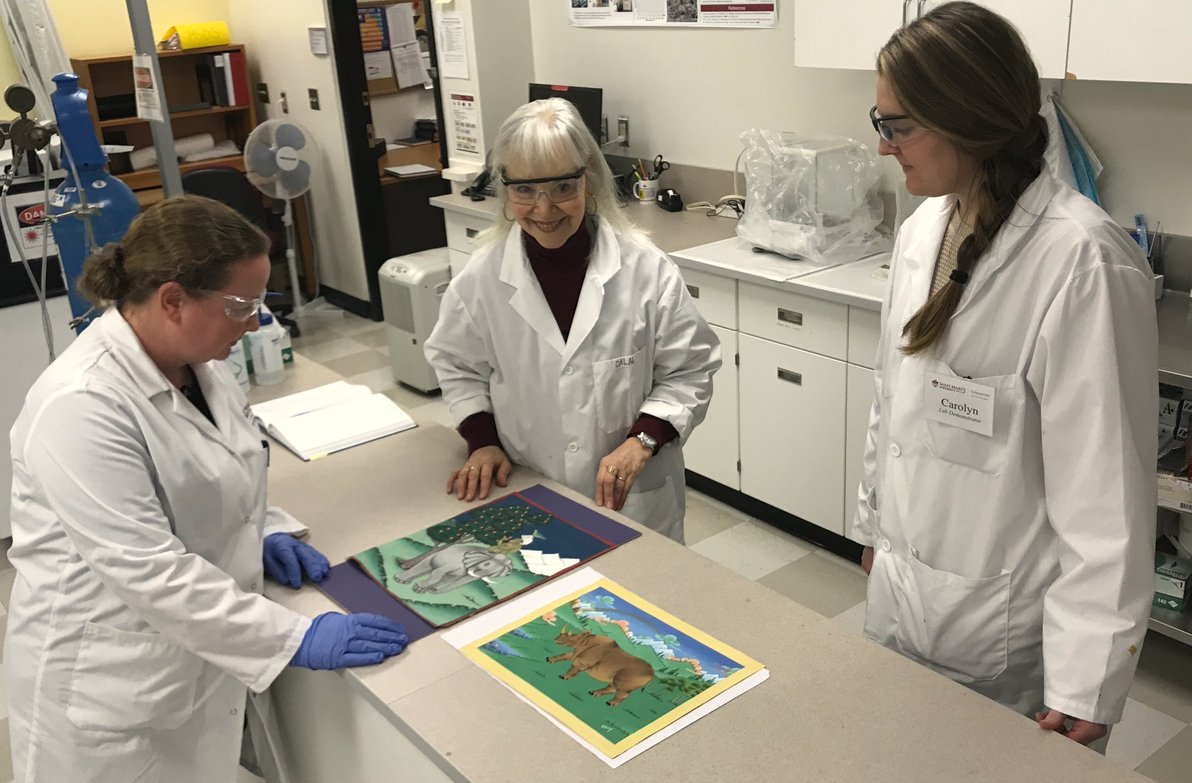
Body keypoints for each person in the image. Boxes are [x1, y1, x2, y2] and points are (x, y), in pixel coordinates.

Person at [6, 196, 409, 782]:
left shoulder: (200, 363)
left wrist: (264, 528)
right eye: (242, 305)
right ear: (172, 299)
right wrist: (295, 636)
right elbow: (148, 570)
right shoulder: (82, 405)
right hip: (106, 687)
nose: (255, 323)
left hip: (186, 664)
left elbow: (224, 466)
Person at [852, 2, 1156, 749]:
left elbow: (1107, 495)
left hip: (1009, 643)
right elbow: (892, 402)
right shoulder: (925, 229)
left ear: (967, 120)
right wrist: (871, 527)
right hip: (901, 599)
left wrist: (1088, 675)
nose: (885, 147)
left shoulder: (1082, 260)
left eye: (898, 126)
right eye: (881, 120)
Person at [424, 98, 720, 542]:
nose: (544, 210)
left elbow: (690, 369)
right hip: (528, 489)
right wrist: (481, 439)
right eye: (524, 190)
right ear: (504, 189)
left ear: (590, 181)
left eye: (563, 187)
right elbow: (457, 365)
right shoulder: (482, 279)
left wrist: (643, 441)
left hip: (633, 503)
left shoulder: (645, 270)